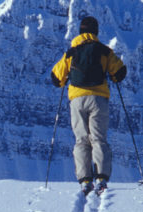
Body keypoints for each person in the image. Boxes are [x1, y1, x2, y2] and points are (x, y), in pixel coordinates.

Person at [51, 16, 126, 195]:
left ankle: (85, 181)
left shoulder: (71, 52)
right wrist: (112, 75)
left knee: (81, 139)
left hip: (77, 100)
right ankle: (101, 178)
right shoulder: (104, 50)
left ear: (80, 31)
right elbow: (120, 72)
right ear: (96, 31)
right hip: (98, 99)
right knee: (98, 138)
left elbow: (56, 78)